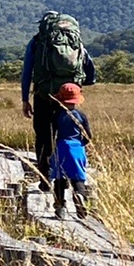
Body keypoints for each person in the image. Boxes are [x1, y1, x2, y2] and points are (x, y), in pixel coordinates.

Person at [21, 11, 95, 185]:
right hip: (68, 95)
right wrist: (83, 83)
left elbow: (26, 73)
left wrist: (25, 99)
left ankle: (45, 177)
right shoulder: (74, 40)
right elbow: (89, 65)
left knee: (44, 135)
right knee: (67, 133)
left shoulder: (38, 41)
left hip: (44, 94)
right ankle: (69, 174)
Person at [50, 82, 92, 217]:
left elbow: (52, 134)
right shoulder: (81, 116)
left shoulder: (57, 115)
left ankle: (60, 206)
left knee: (59, 179)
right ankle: (80, 196)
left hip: (61, 147)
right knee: (78, 178)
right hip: (77, 149)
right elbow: (88, 136)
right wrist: (81, 144)